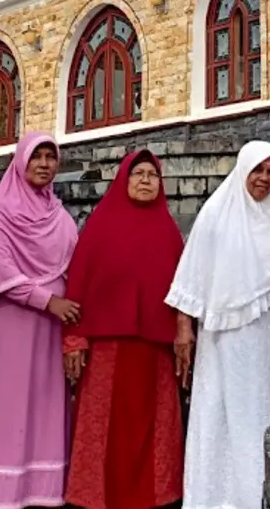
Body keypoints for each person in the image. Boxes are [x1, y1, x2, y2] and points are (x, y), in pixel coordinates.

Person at [166, 140, 270, 509]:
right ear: (243, 168)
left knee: (264, 409)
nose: (265, 178)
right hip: (223, 339)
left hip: (266, 338)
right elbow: (191, 276)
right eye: (258, 169)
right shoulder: (215, 214)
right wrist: (184, 331)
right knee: (221, 413)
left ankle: (261, 493)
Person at [64, 150, 187, 509]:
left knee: (156, 428)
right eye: (138, 174)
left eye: (153, 175)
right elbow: (79, 281)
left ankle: (157, 498)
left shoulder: (168, 231)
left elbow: (183, 288)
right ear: (124, 179)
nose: (146, 180)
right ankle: (94, 498)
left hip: (155, 350)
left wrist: (183, 332)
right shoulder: (100, 226)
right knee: (103, 427)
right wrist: (73, 337)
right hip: (106, 348)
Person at [0, 132, 79, 509]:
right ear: (21, 162)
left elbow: (76, 262)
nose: (43, 164)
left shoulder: (59, 215)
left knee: (47, 399)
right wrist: (47, 301)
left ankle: (45, 487)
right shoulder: (0, 213)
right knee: (11, 401)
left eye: (49, 157)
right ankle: (6, 491)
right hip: (15, 322)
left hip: (55, 326)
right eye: (36, 157)